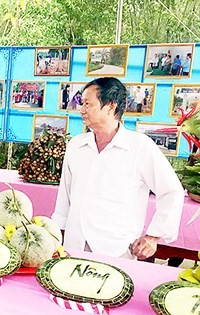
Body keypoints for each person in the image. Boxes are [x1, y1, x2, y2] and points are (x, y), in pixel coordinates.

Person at [51, 77, 184, 260]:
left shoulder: (140, 147)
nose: (81, 110)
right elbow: (64, 196)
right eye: (82, 103)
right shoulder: (76, 145)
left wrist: (153, 236)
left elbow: (171, 191)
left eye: (88, 104)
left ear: (111, 106)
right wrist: (58, 235)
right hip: (74, 246)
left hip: (116, 250)